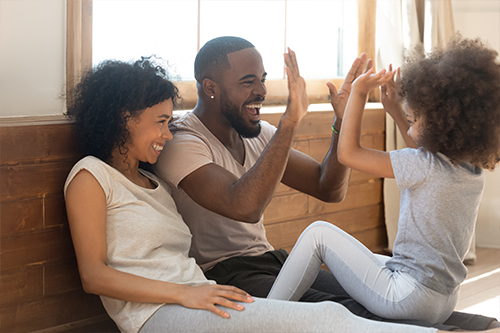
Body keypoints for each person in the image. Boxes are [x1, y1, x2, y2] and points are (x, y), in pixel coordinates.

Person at [60, 55, 471, 333]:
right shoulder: (93, 175)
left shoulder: (152, 181)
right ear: (124, 118)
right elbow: (93, 275)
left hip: (204, 289)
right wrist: (188, 292)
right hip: (177, 301)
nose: (168, 133)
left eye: (170, 121)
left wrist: (340, 119)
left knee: (346, 304)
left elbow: (328, 187)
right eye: (161, 122)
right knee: (327, 316)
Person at [154, 36, 500, 330]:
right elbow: (242, 207)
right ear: (210, 87)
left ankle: (481, 325)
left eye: (263, 78)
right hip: (225, 273)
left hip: (271, 259)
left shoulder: (258, 135)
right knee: (339, 310)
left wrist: (340, 121)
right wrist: (291, 121)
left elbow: (327, 187)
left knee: (366, 299)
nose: (261, 90)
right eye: (248, 82)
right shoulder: (182, 142)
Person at [267, 35, 500, 325]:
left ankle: (266, 316)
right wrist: (393, 109)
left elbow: (349, 153)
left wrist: (359, 96)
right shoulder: (468, 169)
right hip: (442, 299)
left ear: (442, 123)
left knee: (318, 234)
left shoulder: (422, 166)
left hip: (408, 297)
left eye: (414, 117)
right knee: (371, 257)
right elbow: (423, 149)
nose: (409, 119)